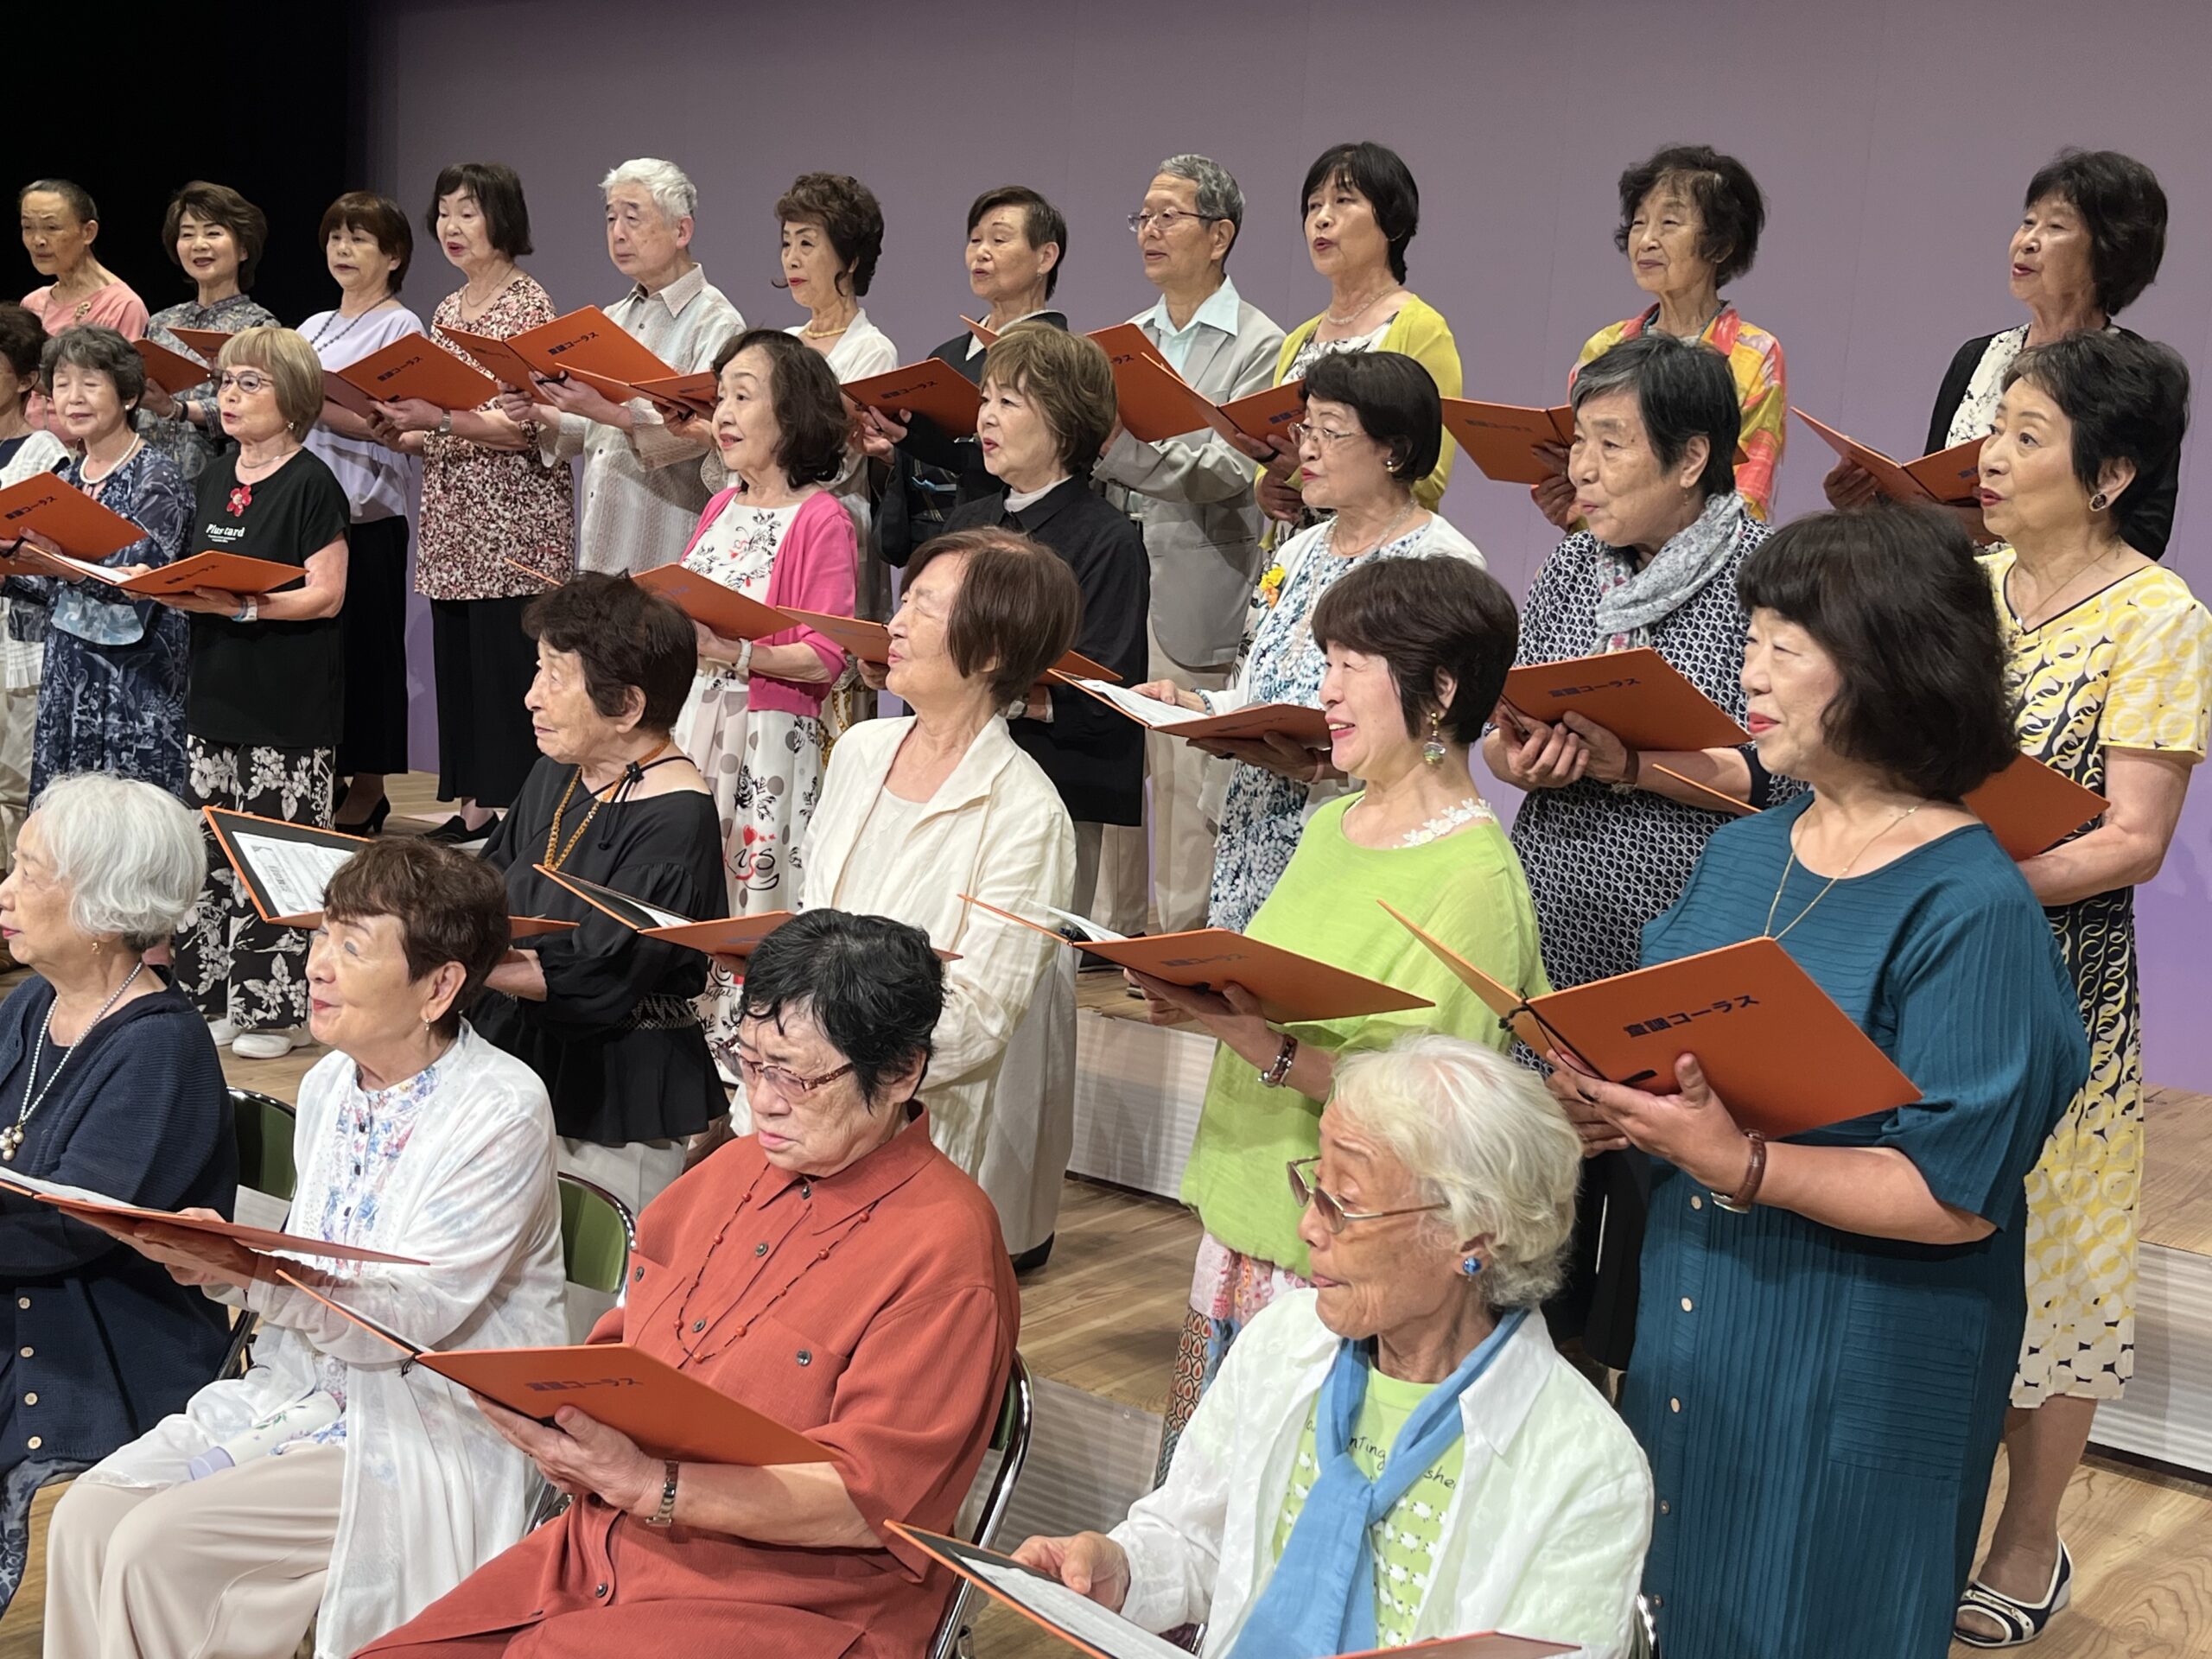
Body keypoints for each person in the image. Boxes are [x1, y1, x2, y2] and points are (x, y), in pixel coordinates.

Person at [1551, 508, 2089, 1659]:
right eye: (1751, 639)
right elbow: (1668, 1060)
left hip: (1861, 1355)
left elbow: (1953, 1195)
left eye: (1785, 645)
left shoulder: (1971, 904)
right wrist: (1612, 1105)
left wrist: (1740, 1162)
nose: (1749, 672)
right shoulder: (1744, 849)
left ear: (1892, 664)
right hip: (1697, 1317)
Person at [360, 909, 1020, 1659]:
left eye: (796, 1076)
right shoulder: (726, 1173)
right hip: (598, 1553)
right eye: (751, 1062)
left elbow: (867, 1503)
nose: (764, 1100)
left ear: (900, 1071)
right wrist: (559, 1420)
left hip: (794, 1603)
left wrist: (653, 1486)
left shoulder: (945, 1249)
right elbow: (623, 1355)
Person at [48, 836, 567, 1659]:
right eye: (322, 935)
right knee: (85, 1517)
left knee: (155, 1549)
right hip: (306, 1388)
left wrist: (253, 1275)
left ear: (438, 988)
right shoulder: (329, 1084)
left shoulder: (501, 1107)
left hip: (429, 1421)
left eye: (352, 947)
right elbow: (311, 1261)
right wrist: (217, 1263)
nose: (316, 965)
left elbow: (412, 1319)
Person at [1014, 1036, 1652, 1658]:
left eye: (1344, 1204)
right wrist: (1124, 1569)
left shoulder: (1586, 1466)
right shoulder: (1284, 1343)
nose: (1308, 1227)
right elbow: (1198, 1540)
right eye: (1314, 1187)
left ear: (1474, 1236)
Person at [1135, 555, 1548, 1470]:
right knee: (1202, 1499)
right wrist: (1201, 1000)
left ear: (1440, 691)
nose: (1325, 691)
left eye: (1351, 666)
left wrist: (1267, 1049)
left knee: (1290, 1504)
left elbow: (1433, 1114)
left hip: (1342, 1256)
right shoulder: (1331, 823)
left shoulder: (1475, 879)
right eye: (1327, 663)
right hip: (1247, 1211)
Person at [1953, 332, 2209, 1647]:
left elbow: (2133, 839)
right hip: (1925, 966)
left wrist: (1968, 880)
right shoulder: (1961, 588)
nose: (1990, 455)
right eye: (1995, 427)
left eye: (2027, 436)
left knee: (2055, 1265)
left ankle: (2029, 1537)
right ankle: (1930, 1513)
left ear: (2107, 474)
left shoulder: (2160, 618)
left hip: (2061, 989)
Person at [1482, 332, 1790, 1370]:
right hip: (1558, 926)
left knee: (1662, 1271)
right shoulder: (1573, 564)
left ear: (1691, 456)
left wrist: (1633, 764)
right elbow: (1503, 727)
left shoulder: (1764, 579)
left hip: (1687, 953)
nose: (1582, 468)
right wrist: (1521, 756)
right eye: (1579, 442)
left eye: (1611, 445)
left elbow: (1785, 777)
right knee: (1535, 1253)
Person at [800, 528, 1079, 1260]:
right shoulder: (859, 751)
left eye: (924, 607)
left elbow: (979, 1020)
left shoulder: (1028, 813)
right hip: (790, 1100)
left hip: (905, 1140)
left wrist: (832, 1064)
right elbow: (808, 928)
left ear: (991, 651)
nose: (894, 624)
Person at [1136, 349, 1482, 934]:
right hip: (1253, 826)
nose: (1308, 450)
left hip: (1360, 838)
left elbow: (1441, 735)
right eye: (1305, 429)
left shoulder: (1440, 564)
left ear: (1394, 451)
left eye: (1331, 432)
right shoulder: (1296, 550)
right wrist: (1196, 706)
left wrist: (1322, 767)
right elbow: (1254, 686)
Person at [0, 776, 231, 1618]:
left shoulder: (161, 1048)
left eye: (30, 872)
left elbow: (64, 1231)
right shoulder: (36, 1002)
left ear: (104, 905)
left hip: (101, 1340)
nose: (6, 890)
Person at [474, 575, 726, 1217]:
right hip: (512, 1056)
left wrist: (447, 954)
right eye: (539, 670)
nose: (532, 696)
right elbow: (487, 886)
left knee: (594, 1265)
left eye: (555, 678)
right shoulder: (554, 772)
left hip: (615, 1087)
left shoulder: (677, 815)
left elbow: (600, 975)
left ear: (628, 706)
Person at [1092, 154, 1285, 934]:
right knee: (1112, 761)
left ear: (1219, 235)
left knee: (1182, 779)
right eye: (1142, 217)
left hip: (1202, 578)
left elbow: (1229, 469)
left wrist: (1118, 450)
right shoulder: (1125, 340)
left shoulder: (1259, 343)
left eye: (1168, 216)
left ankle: (1181, 948)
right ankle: (1108, 937)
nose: (1150, 230)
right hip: (1117, 576)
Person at [1827, 149, 2176, 559]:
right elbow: (1932, 500)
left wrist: (1999, 526)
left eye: (2055, 227)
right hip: (1954, 587)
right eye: (2028, 222)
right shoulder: (1977, 357)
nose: (2027, 242)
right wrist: (1874, 503)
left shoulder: (2136, 376)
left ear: (2109, 250)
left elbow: (2146, 534)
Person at [369, 162, 572, 845]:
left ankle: (517, 816)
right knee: (458, 665)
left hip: (514, 522)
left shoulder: (529, 305)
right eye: (444, 212)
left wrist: (439, 420)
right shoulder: (448, 310)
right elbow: (449, 418)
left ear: (502, 219)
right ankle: (475, 806)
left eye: (468, 211)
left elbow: (526, 429)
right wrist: (406, 430)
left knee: (504, 666)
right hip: (454, 515)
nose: (451, 227)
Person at [670, 331, 855, 1067]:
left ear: (793, 412)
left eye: (743, 396)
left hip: (769, 737)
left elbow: (826, 655)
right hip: (694, 720)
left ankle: (750, 1056)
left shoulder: (822, 517)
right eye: (720, 396)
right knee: (691, 882)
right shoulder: (720, 504)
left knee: (755, 894)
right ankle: (683, 1041)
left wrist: (736, 652)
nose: (723, 412)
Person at [164, 327, 351, 1061]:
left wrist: (246, 608)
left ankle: (278, 1012)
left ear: (294, 399)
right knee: (209, 858)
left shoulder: (312, 482)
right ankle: (210, 996)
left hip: (287, 702)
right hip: (215, 692)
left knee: (276, 858)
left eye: (250, 383)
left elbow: (327, 593)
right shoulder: (215, 476)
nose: (230, 395)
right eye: (225, 381)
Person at [943, 323, 1148, 919]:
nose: (986, 417)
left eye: (1009, 402)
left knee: (1030, 954)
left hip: (1054, 784)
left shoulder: (1107, 538)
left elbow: (1109, 692)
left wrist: (1000, 695)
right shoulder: (967, 521)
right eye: (985, 399)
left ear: (1063, 420)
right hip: (951, 774)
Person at [498, 158, 741, 579]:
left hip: (667, 550)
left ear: (681, 231)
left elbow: (707, 433)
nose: (618, 233)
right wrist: (538, 406)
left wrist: (607, 411)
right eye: (611, 218)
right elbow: (593, 430)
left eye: (633, 217)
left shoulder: (716, 322)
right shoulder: (611, 317)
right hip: (600, 547)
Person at [1535, 144, 1784, 527]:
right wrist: (1569, 503)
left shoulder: (1752, 354)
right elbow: (1584, 473)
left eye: (1669, 223)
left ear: (1720, 245)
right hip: (1602, 554)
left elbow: (1748, 495)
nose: (1646, 240)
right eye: (1639, 222)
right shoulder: (1606, 347)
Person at [5, 327, 190, 797]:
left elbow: (138, 581)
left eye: (90, 383)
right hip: (68, 668)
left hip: (133, 675)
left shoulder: (157, 477)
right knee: (64, 811)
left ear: (128, 395)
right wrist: (12, 565)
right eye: (62, 383)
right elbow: (50, 587)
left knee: (128, 812)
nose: (74, 397)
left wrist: (58, 563)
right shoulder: (65, 479)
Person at [301, 191, 427, 834]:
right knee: (317, 653)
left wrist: (310, 403)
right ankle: (324, 772)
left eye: (359, 239)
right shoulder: (311, 326)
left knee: (371, 652)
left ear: (394, 255)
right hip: (307, 510)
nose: (343, 250)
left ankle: (371, 787)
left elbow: (389, 422)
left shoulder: (401, 328)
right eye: (335, 238)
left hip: (368, 511)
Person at [1255, 143, 1460, 531]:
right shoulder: (1299, 338)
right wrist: (1265, 486)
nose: (1322, 219)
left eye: (1343, 201)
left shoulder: (1420, 328)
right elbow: (1274, 456)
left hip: (1377, 549)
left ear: (1392, 222)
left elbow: (1428, 477)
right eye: (1314, 205)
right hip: (1293, 551)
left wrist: (1305, 470)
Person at [856, 184, 1070, 538]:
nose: (981, 253)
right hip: (933, 543)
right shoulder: (946, 356)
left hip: (1004, 540)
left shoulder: (1059, 357)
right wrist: (895, 453)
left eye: (999, 240)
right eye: (975, 240)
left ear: (1045, 257)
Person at [773, 172, 897, 618]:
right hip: (771, 528)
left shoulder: (872, 350)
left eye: (807, 243)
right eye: (786, 243)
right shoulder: (782, 343)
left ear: (851, 257)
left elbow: (838, 461)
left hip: (833, 531)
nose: (792, 258)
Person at [136, 181, 279, 480]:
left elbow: (258, 409)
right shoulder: (162, 322)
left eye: (213, 233)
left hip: (219, 482)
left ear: (243, 249)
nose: (198, 244)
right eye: (187, 234)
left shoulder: (259, 328)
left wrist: (177, 409)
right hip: (150, 482)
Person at [0, 306, 66, 877]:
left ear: (25, 380)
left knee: (12, 786)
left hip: (16, 647)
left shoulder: (44, 456)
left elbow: (56, 565)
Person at [17, 181, 146, 340]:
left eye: (51, 227)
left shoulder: (121, 306)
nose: (37, 241)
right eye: (28, 227)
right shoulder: (32, 304)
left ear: (88, 232)